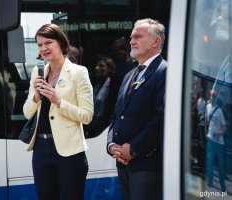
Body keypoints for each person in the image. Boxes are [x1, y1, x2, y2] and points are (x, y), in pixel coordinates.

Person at [23, 23, 93, 200]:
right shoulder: (37, 72)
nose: (43, 48)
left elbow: (87, 115)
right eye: (39, 45)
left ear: (61, 42)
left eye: (48, 42)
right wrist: (36, 97)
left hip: (70, 152)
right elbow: (27, 113)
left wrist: (58, 101)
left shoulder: (78, 72)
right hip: (41, 150)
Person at [107, 18, 167, 200]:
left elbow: (161, 118)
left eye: (138, 37)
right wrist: (111, 145)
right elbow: (116, 116)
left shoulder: (165, 71)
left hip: (147, 165)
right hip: (124, 165)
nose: (131, 41)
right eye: (131, 37)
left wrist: (133, 149)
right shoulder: (129, 75)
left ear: (155, 41)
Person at [84, 56, 116, 137]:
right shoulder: (95, 84)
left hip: (104, 125)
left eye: (101, 66)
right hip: (92, 123)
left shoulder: (113, 87)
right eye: (97, 66)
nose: (97, 68)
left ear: (109, 69)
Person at [205, 90, 227, 192]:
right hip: (210, 138)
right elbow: (206, 120)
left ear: (216, 97)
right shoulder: (208, 107)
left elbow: (224, 127)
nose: (212, 97)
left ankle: (222, 186)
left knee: (220, 164)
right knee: (209, 161)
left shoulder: (219, 111)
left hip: (219, 142)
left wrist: (219, 133)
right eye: (211, 95)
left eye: (213, 96)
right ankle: (210, 182)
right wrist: (206, 132)